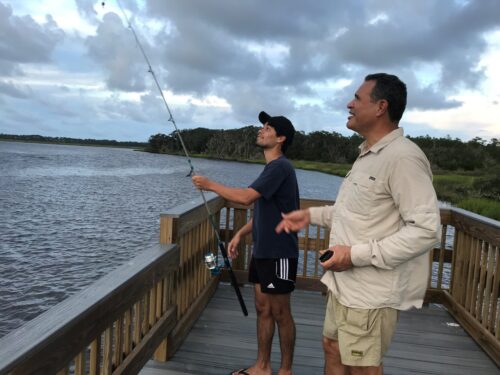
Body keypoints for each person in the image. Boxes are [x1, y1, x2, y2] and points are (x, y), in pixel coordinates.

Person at [276, 73, 441, 375]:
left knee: (362, 367)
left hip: (371, 294)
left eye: (357, 98)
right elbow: (352, 212)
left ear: (380, 107)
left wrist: (353, 255)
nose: (348, 104)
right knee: (332, 348)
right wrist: (310, 216)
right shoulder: (366, 155)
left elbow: (426, 230)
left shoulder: (403, 158)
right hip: (344, 287)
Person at [192, 111, 299, 375]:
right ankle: (262, 366)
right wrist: (240, 234)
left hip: (279, 253)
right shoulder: (270, 170)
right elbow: (265, 212)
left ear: (281, 138)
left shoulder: (280, 167)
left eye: (268, 128)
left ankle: (285, 371)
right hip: (262, 251)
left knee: (280, 312)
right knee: (263, 309)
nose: (261, 130)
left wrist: (210, 184)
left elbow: (245, 198)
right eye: (261, 126)